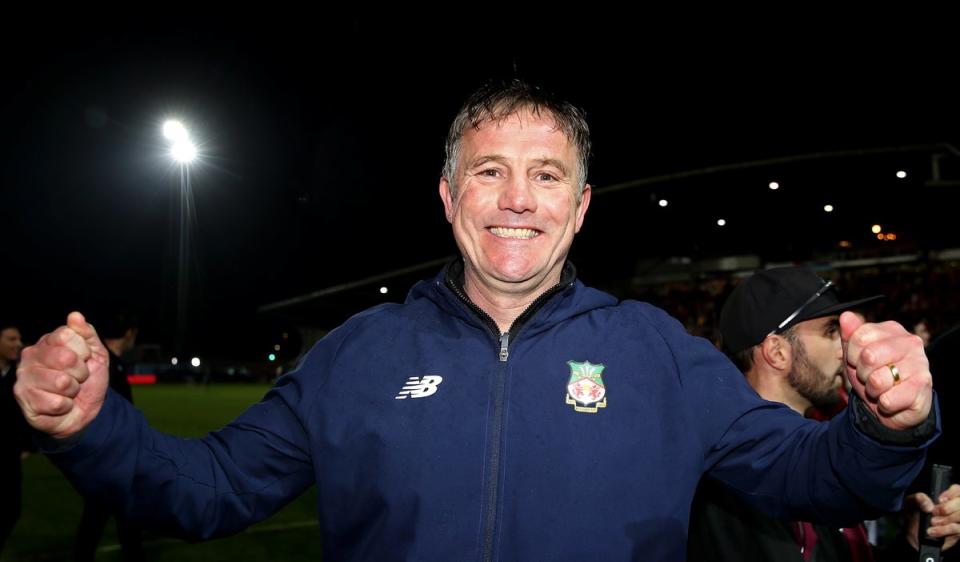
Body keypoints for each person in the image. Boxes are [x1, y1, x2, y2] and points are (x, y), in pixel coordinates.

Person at [14, 80, 940, 561]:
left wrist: (888, 425)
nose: (517, 199)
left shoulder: (657, 350)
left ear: (580, 208)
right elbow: (208, 488)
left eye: (547, 176)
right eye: (491, 171)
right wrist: (92, 429)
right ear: (450, 195)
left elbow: (814, 474)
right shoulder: (361, 354)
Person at [687, 266, 959, 561]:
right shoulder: (725, 486)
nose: (844, 350)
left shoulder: (817, 459)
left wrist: (909, 543)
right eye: (831, 331)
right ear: (777, 352)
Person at [72, 312, 143, 562]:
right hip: (111, 459)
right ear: (129, 333)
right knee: (114, 515)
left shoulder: (112, 362)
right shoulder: (105, 363)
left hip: (112, 459)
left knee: (106, 516)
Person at [0, 322, 29, 553]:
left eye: (18, 339)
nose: (18, 344)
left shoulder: (19, 376)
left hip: (9, 460)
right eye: (11, 339)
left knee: (11, 511)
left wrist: (27, 445)